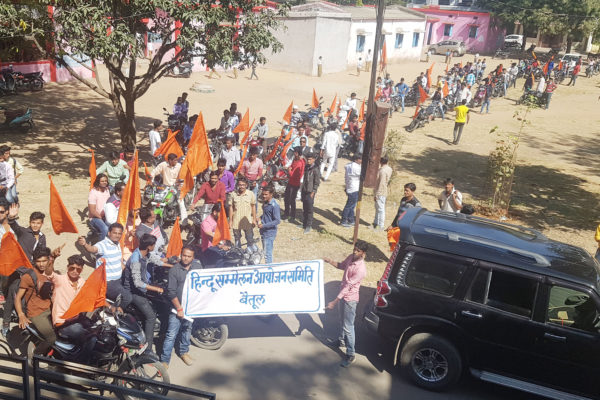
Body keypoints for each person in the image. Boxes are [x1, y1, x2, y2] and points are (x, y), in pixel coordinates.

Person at [324, 240, 368, 368]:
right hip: (342, 296)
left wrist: (334, 301)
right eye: (355, 249)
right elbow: (341, 265)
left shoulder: (361, 269)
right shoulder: (351, 257)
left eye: (358, 251)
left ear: (363, 253)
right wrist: (330, 261)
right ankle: (341, 341)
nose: (355, 252)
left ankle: (351, 354)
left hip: (350, 299)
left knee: (349, 327)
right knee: (342, 320)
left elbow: (348, 287)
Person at [123, 234, 164, 356]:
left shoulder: (145, 254)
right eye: (153, 245)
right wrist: (155, 289)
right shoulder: (135, 259)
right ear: (149, 246)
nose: (154, 247)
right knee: (151, 317)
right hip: (133, 291)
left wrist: (175, 265)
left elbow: (158, 262)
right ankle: (148, 350)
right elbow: (137, 283)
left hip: (142, 289)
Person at [77, 223, 132, 309]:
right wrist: (85, 244)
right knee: (128, 298)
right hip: (108, 282)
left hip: (118, 280)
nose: (117, 235)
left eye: (119, 233)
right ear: (109, 233)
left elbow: (119, 262)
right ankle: (114, 311)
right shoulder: (103, 245)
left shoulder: (117, 244)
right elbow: (93, 249)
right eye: (115, 233)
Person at [161, 247, 199, 368]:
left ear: (193, 257)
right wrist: (179, 309)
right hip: (176, 308)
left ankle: (184, 352)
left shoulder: (198, 268)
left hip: (191, 307)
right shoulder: (174, 270)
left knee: (187, 330)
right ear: (180, 255)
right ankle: (164, 361)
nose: (186, 258)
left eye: (189, 256)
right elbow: (171, 292)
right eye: (184, 255)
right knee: (171, 334)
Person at [14, 246, 57, 355]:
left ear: (48, 260)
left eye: (44, 261)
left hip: (50, 309)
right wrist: (21, 315)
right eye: (38, 261)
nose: (42, 264)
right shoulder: (28, 276)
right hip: (36, 313)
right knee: (51, 338)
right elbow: (18, 297)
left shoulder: (50, 272)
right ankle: (35, 356)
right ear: (34, 261)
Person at [229, 177, 256, 248]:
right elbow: (231, 207)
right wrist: (230, 221)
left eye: (243, 185)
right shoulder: (233, 194)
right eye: (240, 185)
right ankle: (239, 254)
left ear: (246, 185)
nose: (241, 186)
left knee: (250, 239)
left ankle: (250, 253)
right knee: (237, 239)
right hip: (236, 220)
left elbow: (253, 207)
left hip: (247, 220)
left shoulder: (250, 194)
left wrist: (254, 219)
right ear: (237, 185)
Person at [258, 185, 280, 264]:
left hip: (269, 233)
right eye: (263, 194)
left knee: (267, 254)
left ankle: (269, 269)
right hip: (264, 231)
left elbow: (277, 221)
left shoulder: (274, 206)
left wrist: (264, 225)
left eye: (266, 194)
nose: (264, 196)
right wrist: (260, 218)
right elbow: (266, 215)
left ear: (271, 194)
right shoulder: (265, 203)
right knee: (265, 252)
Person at [283, 148, 305, 223]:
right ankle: (286, 213)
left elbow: (294, 174)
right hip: (291, 182)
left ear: (298, 153)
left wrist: (289, 170)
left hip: (295, 183)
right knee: (286, 198)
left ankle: (292, 215)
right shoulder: (295, 160)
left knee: (291, 200)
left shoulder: (300, 163)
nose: (294, 154)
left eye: (295, 152)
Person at [301, 153, 320, 234]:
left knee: (309, 209)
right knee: (304, 208)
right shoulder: (306, 167)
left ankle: (309, 225)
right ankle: (304, 224)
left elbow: (317, 182)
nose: (308, 161)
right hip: (304, 190)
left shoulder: (315, 169)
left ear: (313, 160)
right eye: (307, 159)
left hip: (310, 192)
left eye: (310, 159)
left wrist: (313, 191)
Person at [88, 173, 111, 240]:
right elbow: (92, 211)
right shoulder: (93, 193)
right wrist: (101, 218)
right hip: (95, 217)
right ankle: (101, 246)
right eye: (102, 181)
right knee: (105, 229)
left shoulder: (107, 190)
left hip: (106, 216)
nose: (104, 183)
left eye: (105, 181)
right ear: (98, 182)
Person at [341, 155, 361, 228]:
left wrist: (346, 187)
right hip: (354, 188)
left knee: (352, 205)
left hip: (349, 187)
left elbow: (346, 177)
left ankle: (351, 219)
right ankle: (344, 220)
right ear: (356, 159)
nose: (361, 161)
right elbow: (362, 175)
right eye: (360, 159)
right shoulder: (356, 167)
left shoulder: (348, 165)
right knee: (349, 206)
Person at [373, 157, 392, 230]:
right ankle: (376, 222)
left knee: (380, 209)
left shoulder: (382, 171)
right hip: (383, 191)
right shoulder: (389, 169)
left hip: (380, 191)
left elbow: (381, 183)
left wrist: (377, 194)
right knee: (378, 208)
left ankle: (380, 225)